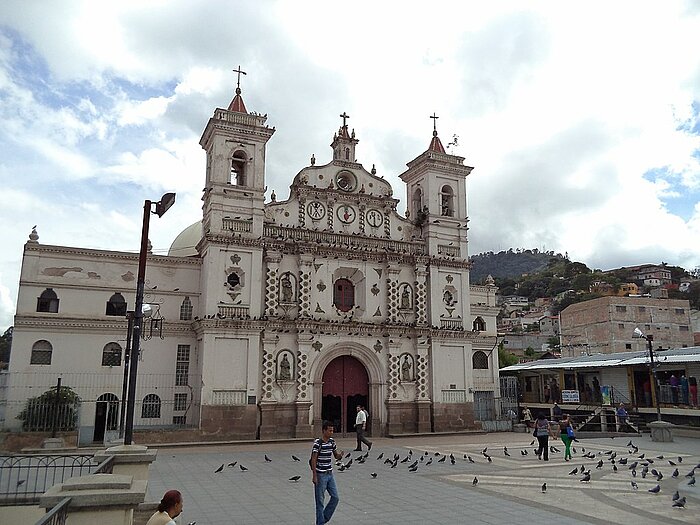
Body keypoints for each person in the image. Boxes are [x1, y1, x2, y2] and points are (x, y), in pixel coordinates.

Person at [311, 421, 344, 525]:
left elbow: (335, 455)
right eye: (329, 430)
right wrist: (314, 476)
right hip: (320, 475)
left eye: (332, 430)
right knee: (320, 501)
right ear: (324, 431)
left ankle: (324, 518)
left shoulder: (332, 442)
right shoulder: (317, 443)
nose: (331, 432)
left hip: (329, 473)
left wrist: (340, 456)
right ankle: (320, 523)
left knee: (335, 497)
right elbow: (313, 459)